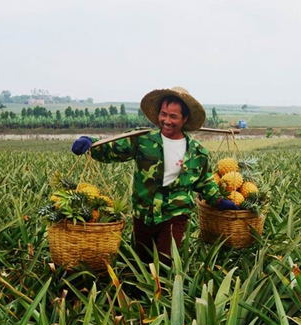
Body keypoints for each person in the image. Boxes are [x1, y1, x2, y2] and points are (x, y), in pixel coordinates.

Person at [71, 86, 237, 264]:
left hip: (175, 214)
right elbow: (113, 149)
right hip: (143, 213)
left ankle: (164, 290)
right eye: (163, 114)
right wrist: (90, 143)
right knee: (142, 261)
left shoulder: (197, 152)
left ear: (184, 119)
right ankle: (142, 292)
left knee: (165, 262)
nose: (166, 120)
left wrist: (219, 201)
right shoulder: (143, 139)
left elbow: (205, 181)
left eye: (173, 116)